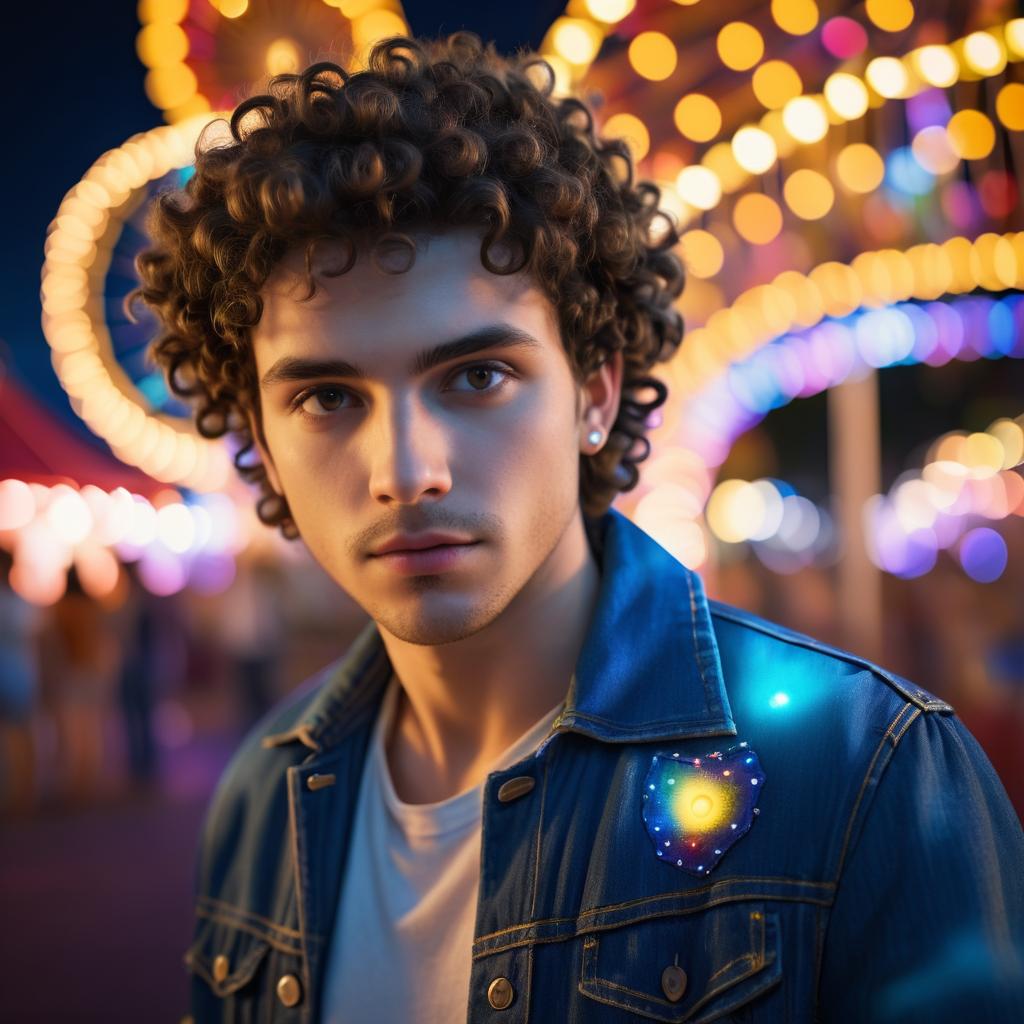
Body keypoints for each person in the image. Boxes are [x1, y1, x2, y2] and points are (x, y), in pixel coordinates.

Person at [131, 32, 1024, 1024]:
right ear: (258, 431)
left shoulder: (866, 773)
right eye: (328, 398)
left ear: (594, 392)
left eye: (476, 377)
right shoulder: (262, 795)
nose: (404, 471)